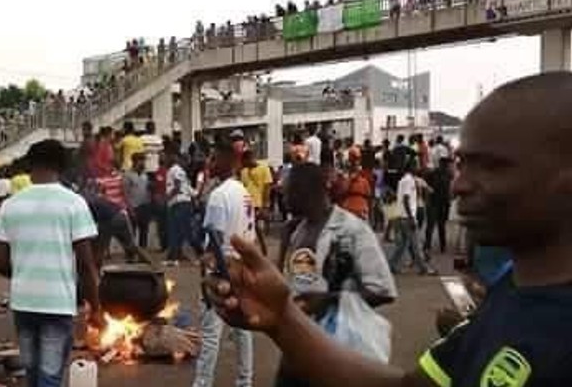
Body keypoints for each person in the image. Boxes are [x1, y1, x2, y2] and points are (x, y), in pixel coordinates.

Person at [205, 72, 572, 387]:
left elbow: (382, 290)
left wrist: (326, 302)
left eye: (491, 166)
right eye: (462, 164)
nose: (459, 185)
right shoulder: (510, 296)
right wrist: (282, 318)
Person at [0, 140, 103, 387]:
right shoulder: (74, 203)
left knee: (32, 376)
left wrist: (23, 272)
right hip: (57, 303)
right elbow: (86, 264)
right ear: (62, 166)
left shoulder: (11, 205)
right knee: (50, 377)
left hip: (23, 302)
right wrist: (95, 307)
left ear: (30, 164)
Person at [276, 163, 397, 386]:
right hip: (296, 346)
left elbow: (383, 290)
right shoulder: (297, 231)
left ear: (305, 190)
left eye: (287, 190)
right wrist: (284, 243)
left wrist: (329, 299)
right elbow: (284, 286)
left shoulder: (352, 230)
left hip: (337, 351)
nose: (282, 197)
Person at [192, 142, 254, 387]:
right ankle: (245, 381)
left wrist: (206, 274)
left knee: (210, 332)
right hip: (244, 266)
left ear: (226, 162)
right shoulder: (243, 191)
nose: (210, 163)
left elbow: (214, 241)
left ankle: (202, 383)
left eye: (214, 159)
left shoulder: (219, 196)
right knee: (243, 330)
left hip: (223, 269)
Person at [388, 163, 436, 275]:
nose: (418, 168)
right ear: (411, 168)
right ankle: (424, 268)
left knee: (401, 245)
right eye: (416, 166)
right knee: (416, 244)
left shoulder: (402, 180)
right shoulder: (409, 181)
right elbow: (406, 199)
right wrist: (411, 218)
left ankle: (392, 265)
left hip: (400, 216)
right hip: (407, 217)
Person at [165, 147, 197, 266]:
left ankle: (197, 253)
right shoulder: (179, 171)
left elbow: (177, 186)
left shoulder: (175, 169)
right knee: (180, 231)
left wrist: (167, 197)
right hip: (181, 203)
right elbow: (188, 189)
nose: (165, 158)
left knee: (180, 230)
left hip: (179, 203)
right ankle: (176, 254)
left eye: (167, 156)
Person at [240, 150, 273, 255]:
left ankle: (259, 249)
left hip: (257, 203)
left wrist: (266, 204)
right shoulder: (244, 171)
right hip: (246, 202)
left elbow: (267, 187)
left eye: (245, 162)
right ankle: (260, 249)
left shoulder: (264, 168)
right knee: (252, 227)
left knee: (253, 226)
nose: (244, 164)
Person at [424, 158, 453, 257]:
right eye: (446, 164)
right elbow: (426, 185)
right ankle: (428, 245)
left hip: (443, 203)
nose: (447, 166)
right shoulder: (433, 173)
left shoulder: (449, 174)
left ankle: (442, 246)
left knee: (441, 225)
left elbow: (448, 189)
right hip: (434, 203)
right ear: (441, 164)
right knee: (431, 226)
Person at [124, 153, 151, 249]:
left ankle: (143, 253)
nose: (143, 163)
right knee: (132, 232)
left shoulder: (145, 174)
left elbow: (148, 190)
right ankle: (130, 254)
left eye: (143, 160)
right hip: (134, 206)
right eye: (141, 160)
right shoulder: (128, 175)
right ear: (135, 161)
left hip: (145, 206)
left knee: (144, 231)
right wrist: (129, 208)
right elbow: (125, 193)